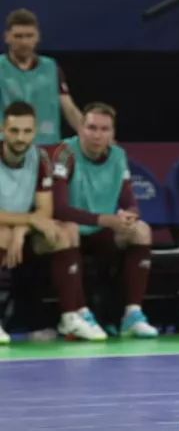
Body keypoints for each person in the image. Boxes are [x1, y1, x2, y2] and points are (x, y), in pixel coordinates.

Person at [0, 101, 105, 343]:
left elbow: (45, 208)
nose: (20, 138)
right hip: (4, 232)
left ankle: (70, 316)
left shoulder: (40, 159)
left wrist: (23, 228)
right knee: (3, 233)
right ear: (3, 130)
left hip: (23, 234)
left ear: (34, 132)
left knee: (66, 230)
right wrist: (23, 222)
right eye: (14, 131)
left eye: (27, 131)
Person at [52, 102, 157, 338]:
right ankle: (80, 314)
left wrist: (129, 215)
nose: (97, 135)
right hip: (70, 232)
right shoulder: (64, 153)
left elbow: (130, 201)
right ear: (80, 128)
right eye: (91, 127)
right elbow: (58, 209)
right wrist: (105, 220)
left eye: (104, 129)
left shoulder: (118, 155)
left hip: (101, 233)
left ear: (112, 133)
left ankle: (132, 314)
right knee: (66, 228)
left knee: (141, 230)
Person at [1, 9, 85, 145]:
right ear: (6, 37)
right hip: (7, 150)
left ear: (37, 37)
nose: (24, 42)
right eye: (18, 36)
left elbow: (69, 108)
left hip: (46, 148)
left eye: (29, 36)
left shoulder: (51, 67)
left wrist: (90, 133)